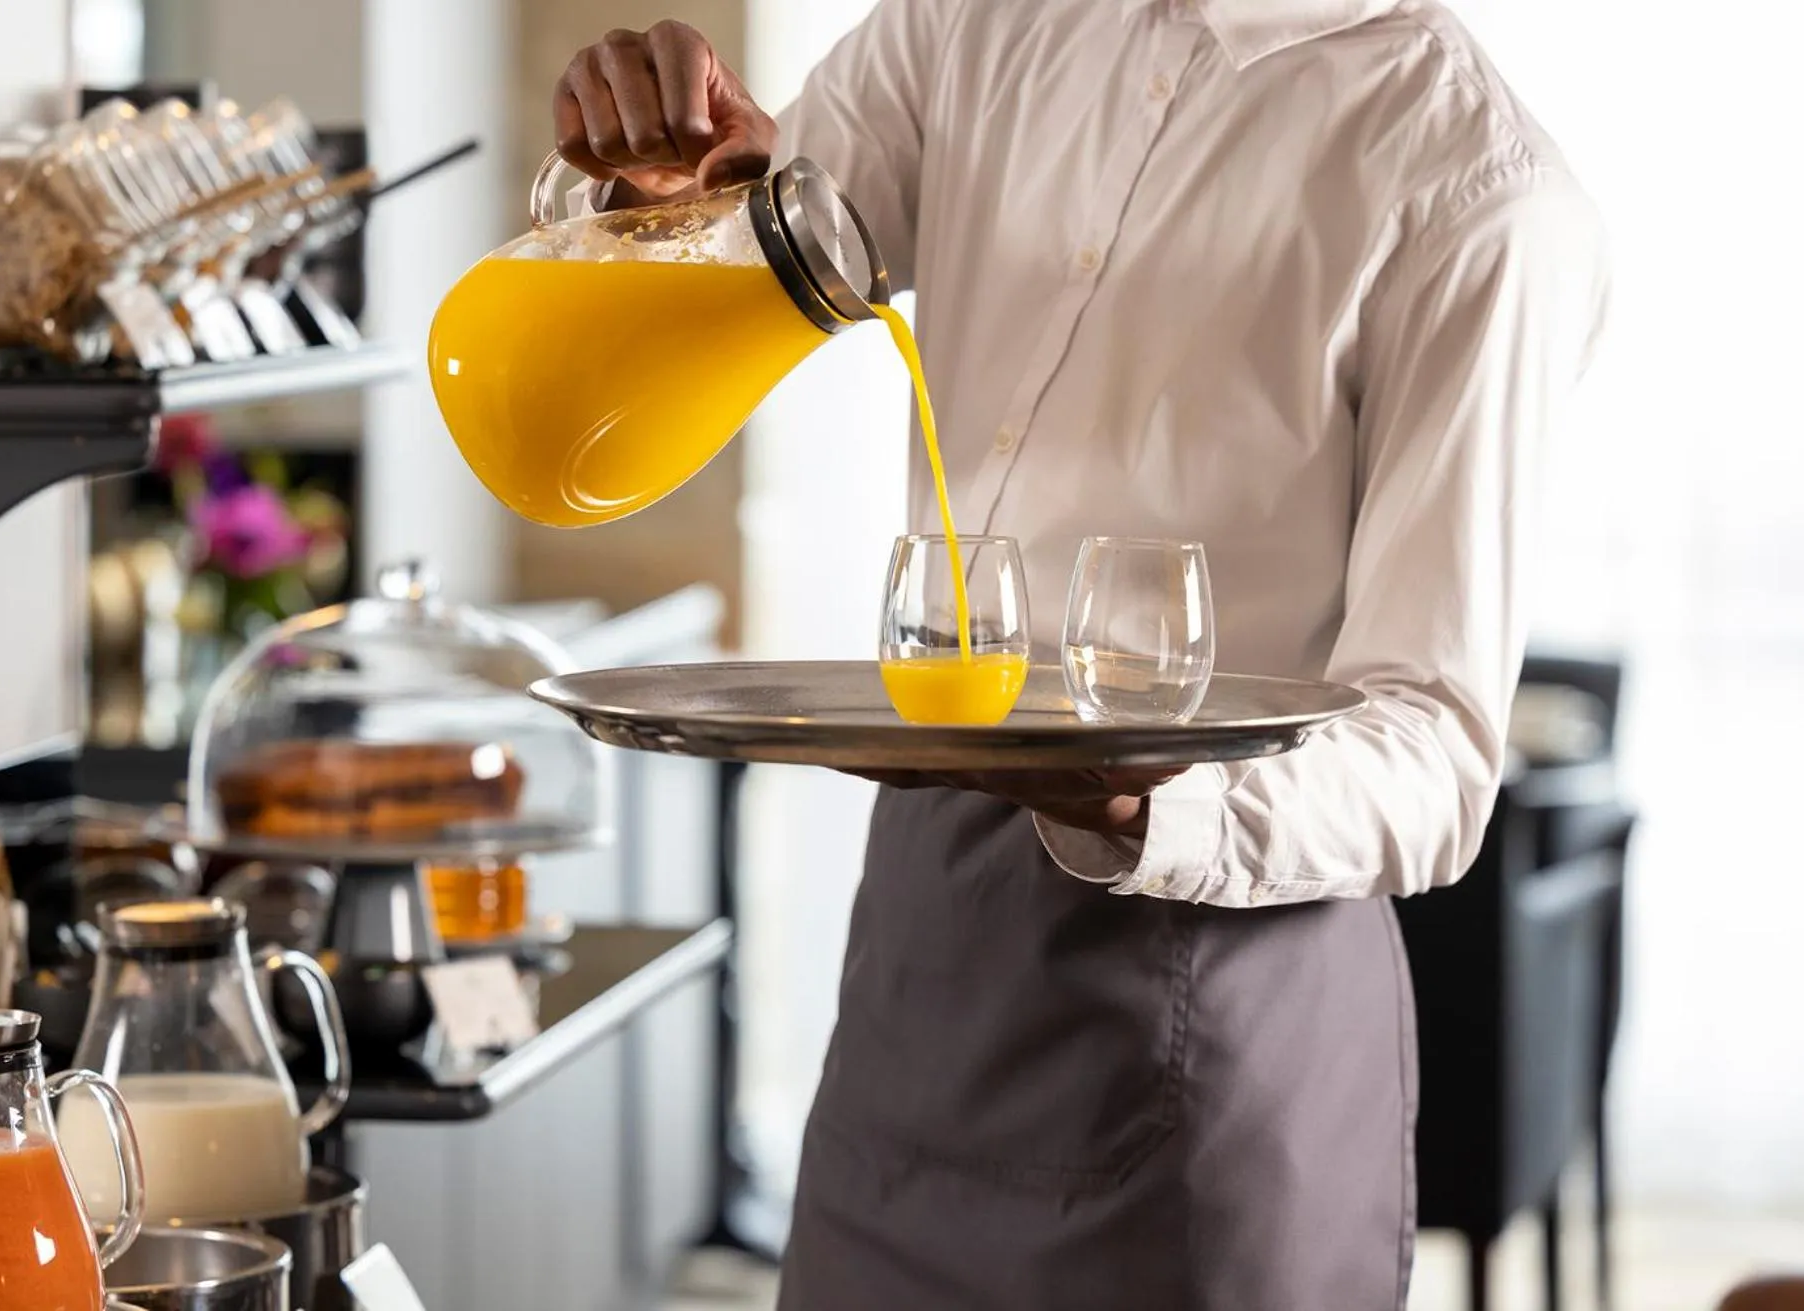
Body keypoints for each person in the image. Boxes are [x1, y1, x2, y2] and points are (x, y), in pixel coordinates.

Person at [554, 2, 1609, 1307]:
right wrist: (653, 202)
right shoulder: (973, 21)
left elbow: (1432, 755)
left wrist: (1147, 799)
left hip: (1220, 985)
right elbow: (745, 259)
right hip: (926, 941)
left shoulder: (1474, 186)